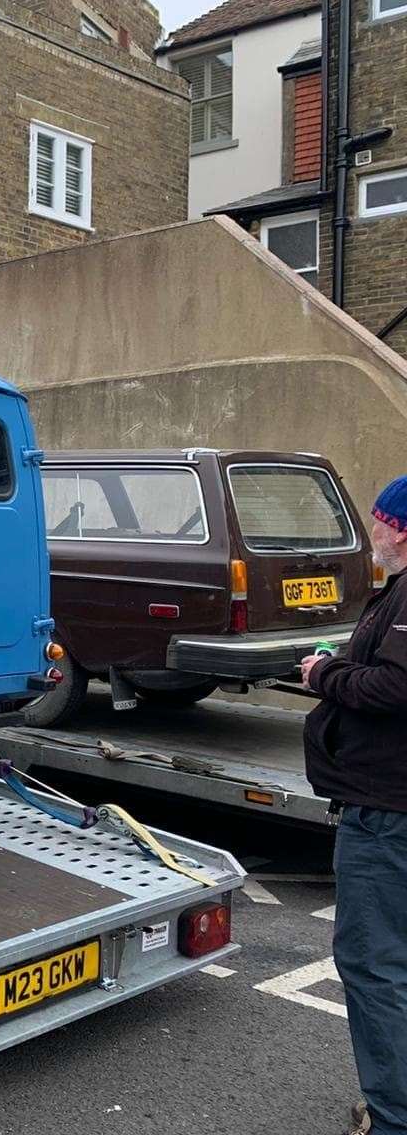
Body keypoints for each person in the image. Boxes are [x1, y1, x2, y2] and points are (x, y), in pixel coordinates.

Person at [302, 475, 407, 1135]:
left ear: (400, 527)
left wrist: (324, 675)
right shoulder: (394, 591)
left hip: (387, 812)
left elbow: (396, 685)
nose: (373, 534)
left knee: (373, 965)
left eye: (377, 521)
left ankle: (395, 1118)